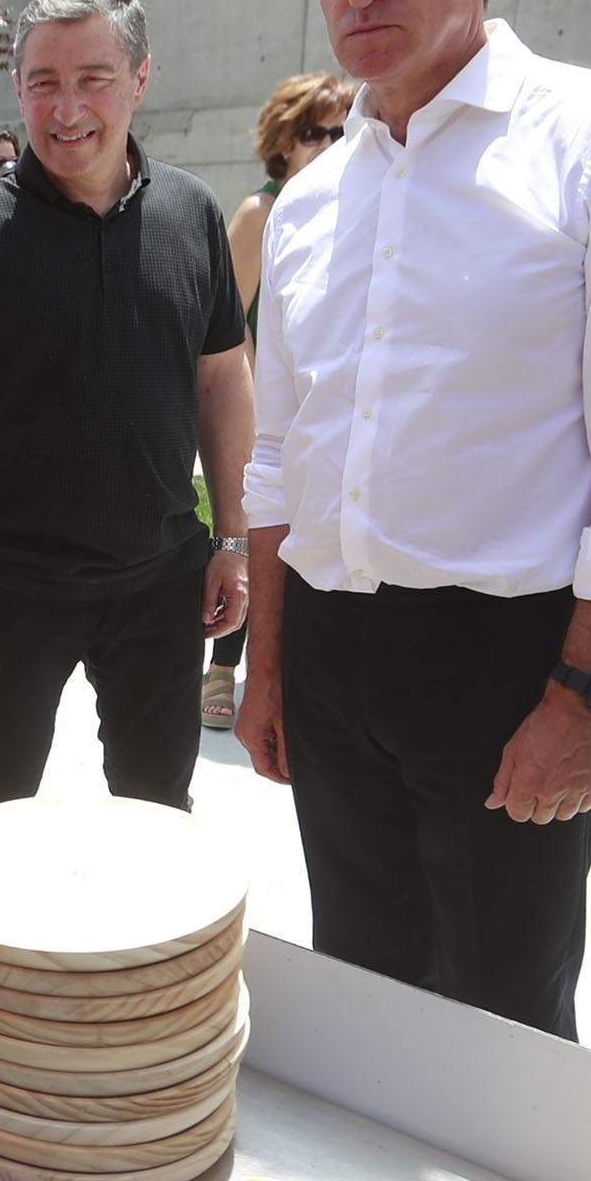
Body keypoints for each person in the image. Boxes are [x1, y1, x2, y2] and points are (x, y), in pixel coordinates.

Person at [236, 0, 591, 1041]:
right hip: (335, 656)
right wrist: (272, 661)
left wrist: (588, 695)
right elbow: (279, 455)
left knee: (503, 1022)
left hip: (507, 662)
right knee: (363, 990)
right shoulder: (309, 201)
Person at [0, 0, 250, 817]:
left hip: (162, 577)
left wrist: (231, 537)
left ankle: (149, 952)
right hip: (11, 586)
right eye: (43, 83)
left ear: (139, 79)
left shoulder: (192, 212)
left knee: (159, 802)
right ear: (17, 88)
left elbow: (223, 376)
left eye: (93, 79)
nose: (66, 108)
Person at [203, 71, 355, 728]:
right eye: (315, 131)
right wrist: (260, 398)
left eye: (342, 131)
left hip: (330, 417)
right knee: (251, 535)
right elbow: (224, 324)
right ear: (285, 140)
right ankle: (221, 668)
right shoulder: (262, 212)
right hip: (266, 413)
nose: (329, 143)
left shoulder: (358, 205)